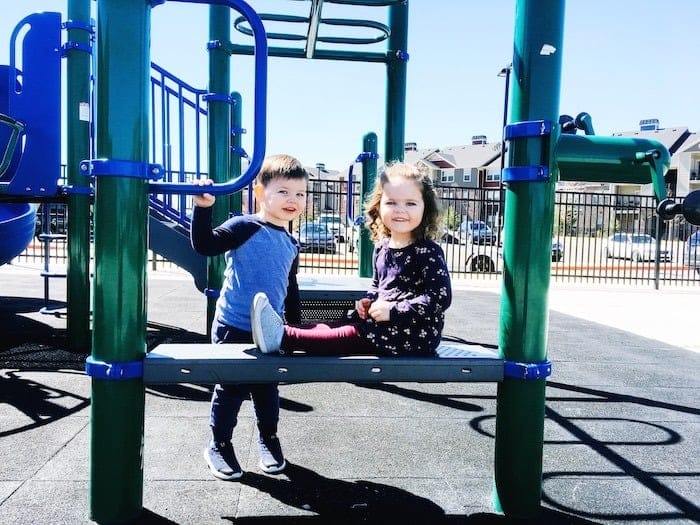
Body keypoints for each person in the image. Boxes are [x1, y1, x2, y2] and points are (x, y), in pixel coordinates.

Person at [250, 162, 451, 357]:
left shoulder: (427, 251)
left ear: (426, 208)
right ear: (379, 206)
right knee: (336, 325)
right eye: (391, 202)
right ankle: (284, 332)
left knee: (346, 335)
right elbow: (377, 286)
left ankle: (283, 337)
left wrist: (394, 310)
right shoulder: (382, 247)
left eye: (410, 203)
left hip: (413, 334)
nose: (400, 209)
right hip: (381, 326)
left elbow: (440, 298)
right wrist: (368, 302)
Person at [190, 154, 308, 480]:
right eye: (283, 191)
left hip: (270, 330)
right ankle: (219, 444)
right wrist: (202, 209)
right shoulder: (244, 226)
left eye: (300, 194)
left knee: (267, 388)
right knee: (231, 388)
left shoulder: (290, 242)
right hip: (234, 326)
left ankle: (269, 439)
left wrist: (294, 329)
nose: (293, 200)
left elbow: (291, 287)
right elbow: (204, 245)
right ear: (259, 192)